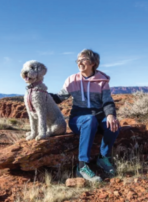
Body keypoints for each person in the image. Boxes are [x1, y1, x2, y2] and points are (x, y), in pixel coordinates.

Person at [50, 49, 120, 182]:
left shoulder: (102, 80)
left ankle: (103, 158)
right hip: (78, 119)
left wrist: (111, 115)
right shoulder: (72, 79)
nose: (79, 62)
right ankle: (82, 166)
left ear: (93, 62)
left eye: (83, 59)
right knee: (89, 120)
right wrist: (42, 94)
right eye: (78, 60)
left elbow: (107, 101)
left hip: (98, 117)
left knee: (113, 125)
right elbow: (60, 97)